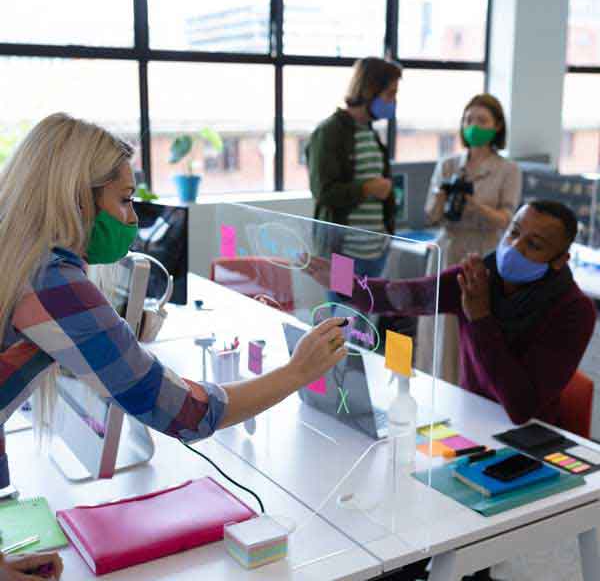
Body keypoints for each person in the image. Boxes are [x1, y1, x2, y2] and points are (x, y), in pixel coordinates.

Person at [0, 113, 347, 579]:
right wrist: (297, 372)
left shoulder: (19, 260)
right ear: (77, 197)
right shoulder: (51, 280)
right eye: (123, 200)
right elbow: (185, 412)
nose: (131, 217)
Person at [308, 200, 595, 427]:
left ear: (560, 260)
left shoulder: (574, 310)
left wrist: (480, 317)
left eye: (533, 244)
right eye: (514, 233)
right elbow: (399, 296)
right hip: (470, 416)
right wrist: (340, 277)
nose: (514, 248)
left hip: (528, 438)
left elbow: (520, 408)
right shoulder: (477, 276)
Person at [417, 94, 522, 386]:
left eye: (481, 120)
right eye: (468, 120)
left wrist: (475, 205)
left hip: (484, 252)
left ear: (497, 126)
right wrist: (441, 194)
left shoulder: (508, 170)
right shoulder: (449, 165)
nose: (473, 126)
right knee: (441, 327)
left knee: (474, 324)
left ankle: (471, 387)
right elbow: (430, 216)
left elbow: (508, 219)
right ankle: (435, 383)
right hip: (447, 248)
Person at [306, 56, 403, 279]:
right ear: (369, 91)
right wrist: (366, 188)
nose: (393, 101)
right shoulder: (329, 132)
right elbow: (323, 192)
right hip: (342, 254)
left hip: (376, 251)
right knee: (342, 313)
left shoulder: (370, 133)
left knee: (368, 313)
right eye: (390, 94)